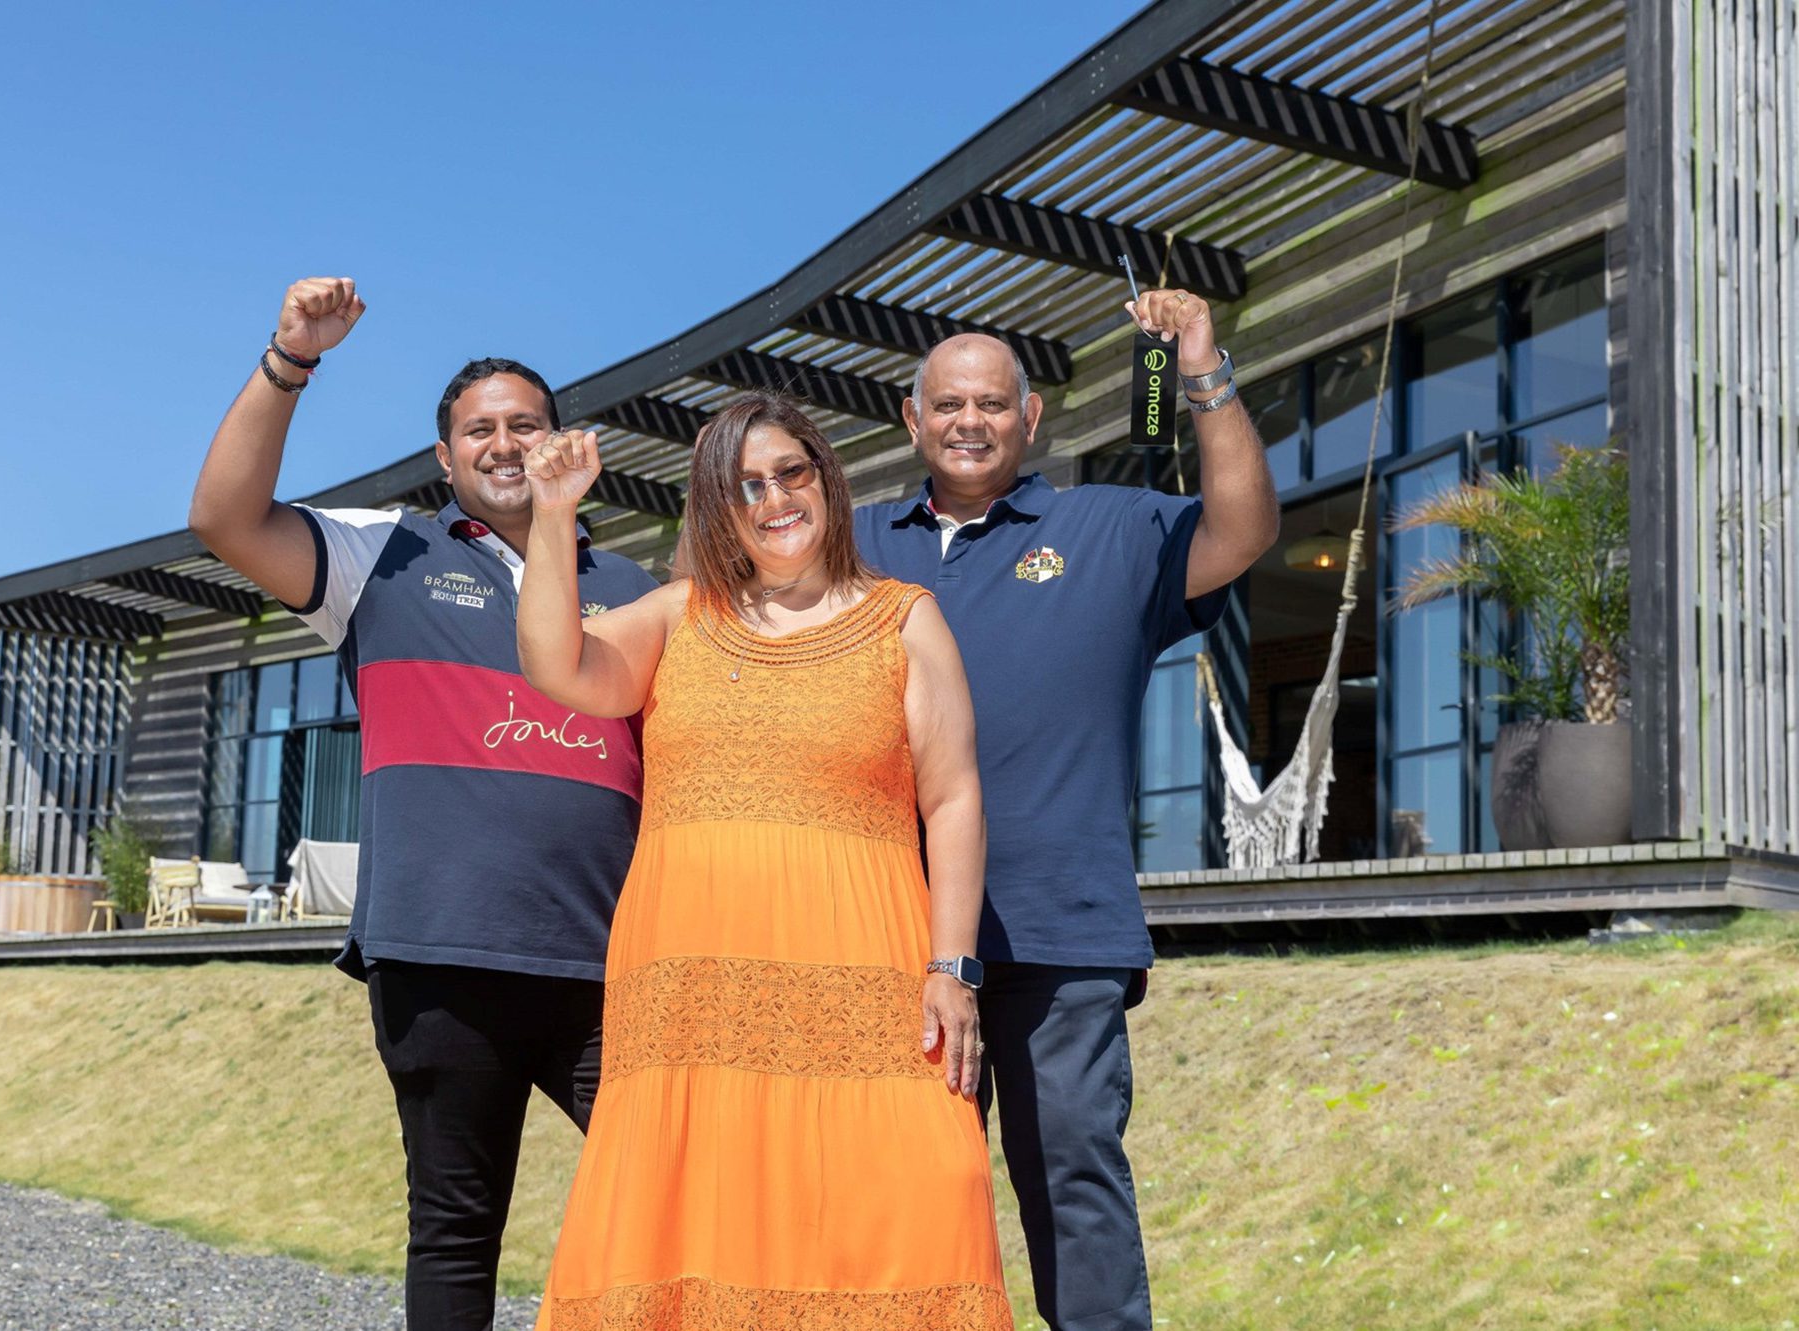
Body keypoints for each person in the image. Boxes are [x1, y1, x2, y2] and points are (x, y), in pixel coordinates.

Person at [187, 277, 657, 1331]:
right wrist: (290, 359)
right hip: (441, 958)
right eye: (476, 428)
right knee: (454, 1230)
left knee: (681, 1196)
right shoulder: (382, 554)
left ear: (561, 442)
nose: (502, 441)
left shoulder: (634, 585)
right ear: (443, 459)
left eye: (524, 423)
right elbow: (222, 517)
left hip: (612, 964)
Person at [514, 393, 1012, 1329]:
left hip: (869, 983)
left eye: (793, 471)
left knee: (916, 1197)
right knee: (699, 1226)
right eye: (748, 486)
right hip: (692, 997)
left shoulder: (907, 621)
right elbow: (557, 663)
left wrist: (954, 968)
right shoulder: (676, 617)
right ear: (717, 508)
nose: (776, 497)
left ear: (827, 479)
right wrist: (553, 514)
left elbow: (953, 800)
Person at [852, 291, 1280, 1331]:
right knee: (894, 1196)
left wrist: (1200, 369)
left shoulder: (1111, 525)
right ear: (909, 422)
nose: (968, 421)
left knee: (1072, 1182)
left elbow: (1244, 526)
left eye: (990, 404)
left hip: (1059, 929)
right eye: (946, 403)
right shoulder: (848, 543)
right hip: (885, 930)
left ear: (1029, 417)